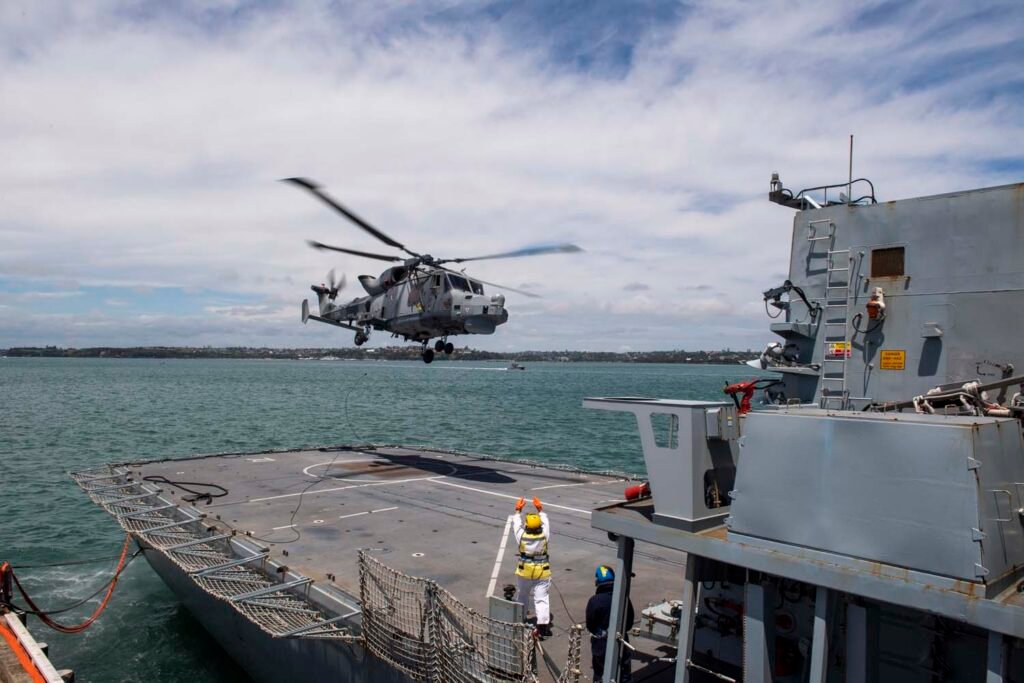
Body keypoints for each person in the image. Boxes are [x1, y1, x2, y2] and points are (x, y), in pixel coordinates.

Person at [586, 565, 635, 683]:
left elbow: (590, 625)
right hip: (622, 641)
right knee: (624, 674)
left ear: (597, 582)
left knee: (600, 674)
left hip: (601, 644)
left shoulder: (595, 601)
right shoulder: (624, 598)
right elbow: (629, 622)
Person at [512, 496, 552, 638]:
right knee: (541, 599)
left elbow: (516, 525)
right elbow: (546, 523)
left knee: (523, 595)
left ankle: (521, 621)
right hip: (542, 572)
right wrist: (540, 509)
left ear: (527, 526)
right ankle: (542, 627)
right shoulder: (544, 535)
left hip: (524, 571)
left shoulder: (522, 536)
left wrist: (518, 510)